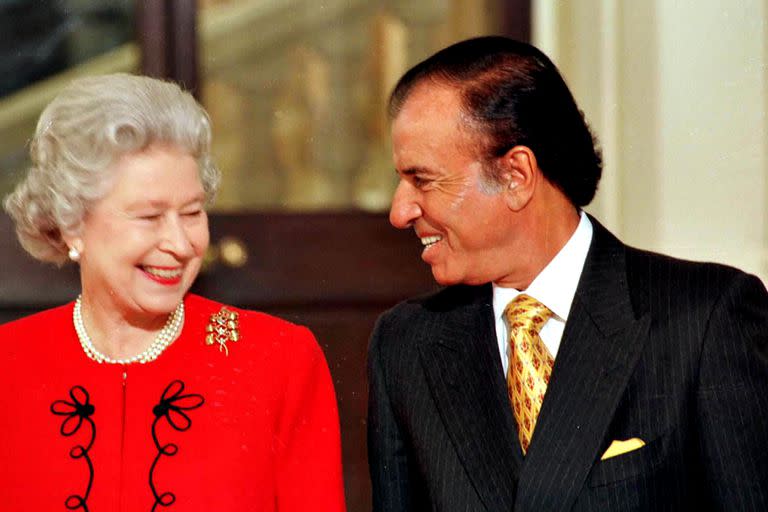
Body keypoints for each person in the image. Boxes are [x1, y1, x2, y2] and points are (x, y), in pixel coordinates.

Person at [367, 36, 768, 511]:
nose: (399, 211)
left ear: (516, 175)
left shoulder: (705, 319)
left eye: (422, 180)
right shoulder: (406, 346)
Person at [0, 73, 346, 511]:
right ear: (72, 223)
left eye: (192, 213)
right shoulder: (7, 364)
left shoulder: (279, 358)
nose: (180, 245)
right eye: (149, 217)